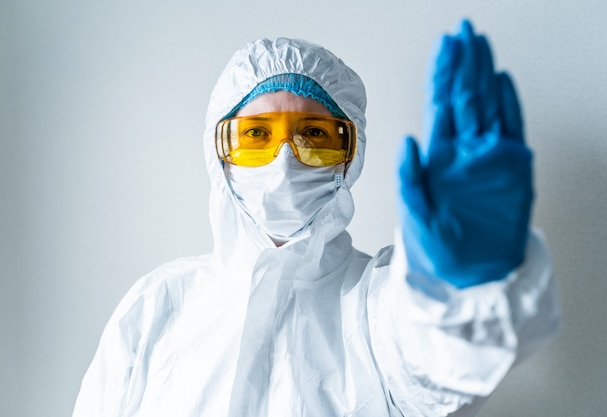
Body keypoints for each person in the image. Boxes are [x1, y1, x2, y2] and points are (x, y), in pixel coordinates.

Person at [73, 20, 560, 417]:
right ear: (218, 152)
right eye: (257, 134)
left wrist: (456, 284)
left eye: (312, 133)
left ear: (350, 154)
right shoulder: (158, 305)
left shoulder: (378, 306)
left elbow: (434, 365)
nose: (284, 160)